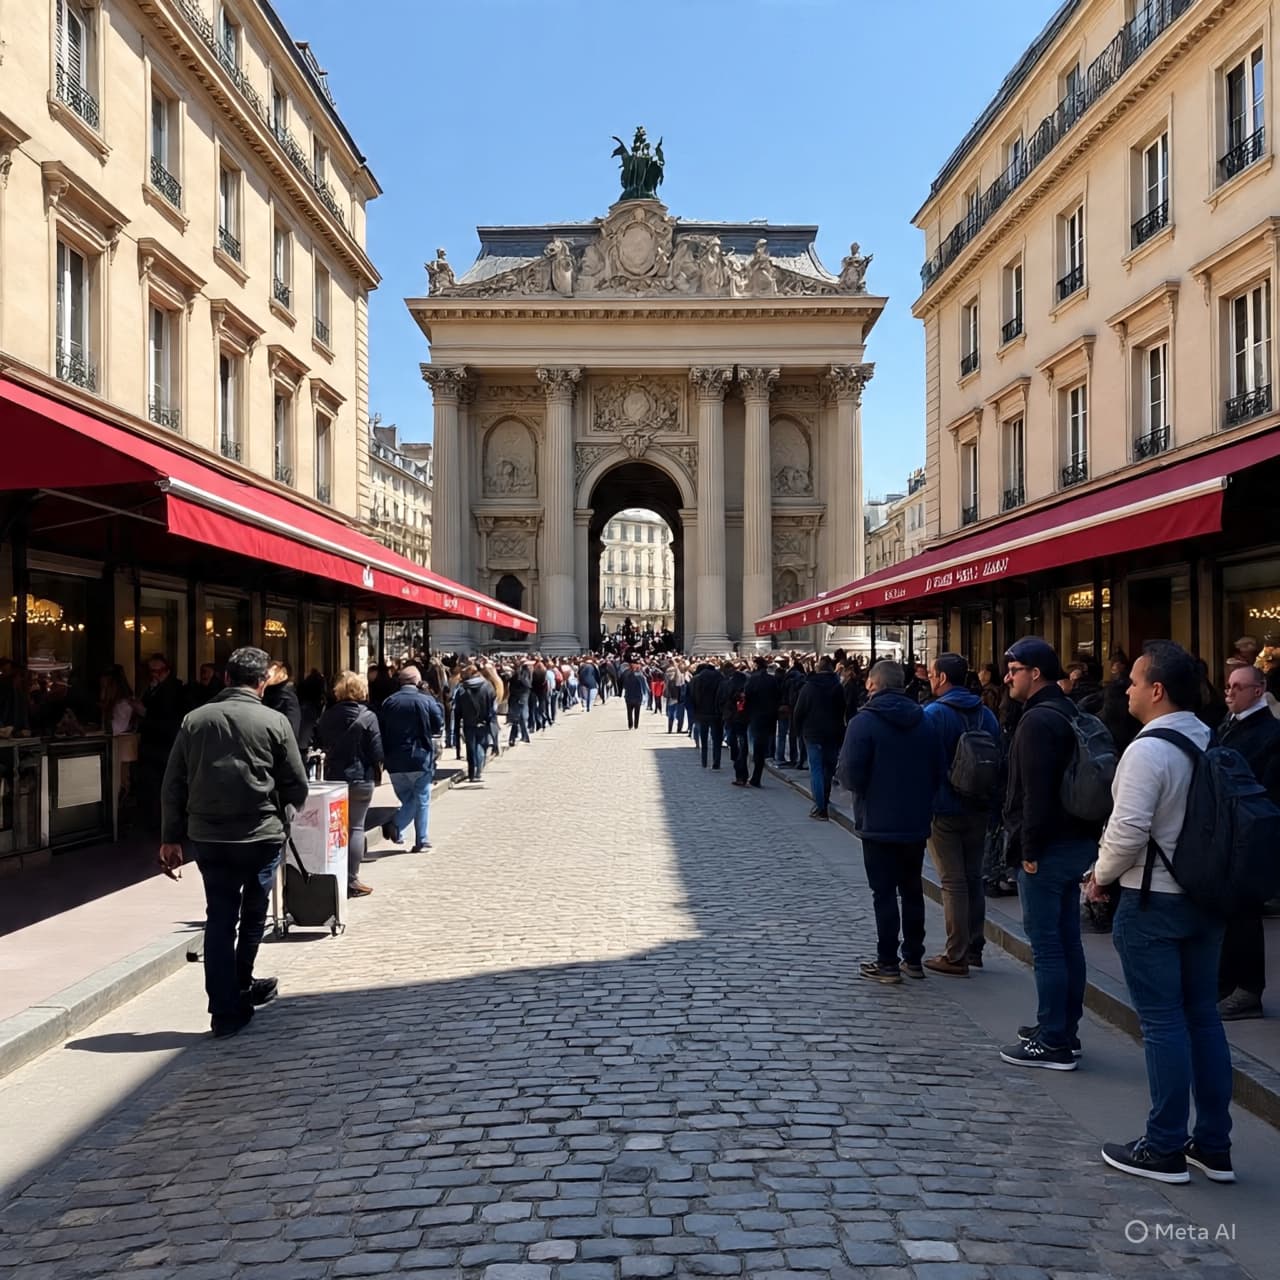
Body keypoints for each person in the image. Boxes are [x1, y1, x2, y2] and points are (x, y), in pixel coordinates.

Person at [1090, 640, 1235, 1184]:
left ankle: (1164, 1145)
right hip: (1205, 898)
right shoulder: (1205, 736)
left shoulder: (1148, 750)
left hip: (1155, 902)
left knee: (1163, 1024)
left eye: (1131, 681)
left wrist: (1099, 878)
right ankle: (1213, 1143)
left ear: (1156, 690)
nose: (1124, 689)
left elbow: (1127, 831)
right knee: (1203, 1017)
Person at [159, 646, 308, 1039]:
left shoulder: (195, 720)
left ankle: (224, 1006)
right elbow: (297, 781)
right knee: (255, 911)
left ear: (226, 678)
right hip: (259, 833)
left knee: (220, 916)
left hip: (208, 835)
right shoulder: (274, 721)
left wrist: (170, 837)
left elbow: (173, 782)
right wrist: (288, 809)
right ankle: (240, 984)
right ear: (262, 683)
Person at [999, 636, 1104, 1070]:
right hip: (1075, 841)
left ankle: (1053, 1040)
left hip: (1048, 847)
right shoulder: (1066, 712)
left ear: (1035, 673)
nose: (1007, 677)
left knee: (1048, 948)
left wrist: (1028, 849)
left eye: (1014, 669)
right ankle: (1064, 1029)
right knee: (1066, 943)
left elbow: (1035, 793)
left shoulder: (1037, 721)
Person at [836, 660, 945, 984]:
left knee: (883, 893)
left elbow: (850, 775)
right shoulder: (925, 721)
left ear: (873, 684)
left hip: (877, 821)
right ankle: (913, 959)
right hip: (914, 820)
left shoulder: (863, 723)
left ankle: (887, 963)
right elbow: (939, 769)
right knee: (912, 890)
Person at [923, 653, 1001, 976]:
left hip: (944, 806)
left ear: (942, 678)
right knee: (973, 878)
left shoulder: (934, 714)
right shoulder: (987, 715)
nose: (928, 678)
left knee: (952, 881)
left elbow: (925, 762)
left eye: (931, 674)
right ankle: (974, 948)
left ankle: (955, 955)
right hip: (979, 805)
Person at [1215, 663, 1280, 1021]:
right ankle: (1225, 983)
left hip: (1250, 833)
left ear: (1259, 690)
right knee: (1226, 910)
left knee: (1244, 913)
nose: (1230, 692)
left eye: (1238, 687)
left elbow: (1269, 792)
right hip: (1226, 832)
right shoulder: (1228, 725)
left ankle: (1247, 989)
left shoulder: (1270, 732)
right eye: (1227, 686)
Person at [317, 671, 383, 897]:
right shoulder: (368, 716)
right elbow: (377, 751)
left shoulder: (328, 715)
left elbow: (320, 740)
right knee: (355, 827)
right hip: (361, 776)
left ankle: (335, 873)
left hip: (335, 776)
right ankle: (352, 879)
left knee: (336, 829)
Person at [378, 664, 445, 852]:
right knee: (421, 799)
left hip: (395, 759)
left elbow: (381, 728)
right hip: (419, 756)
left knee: (407, 798)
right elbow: (438, 723)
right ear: (418, 681)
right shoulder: (425, 700)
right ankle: (416, 837)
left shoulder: (389, 702)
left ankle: (398, 832)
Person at [137, 653, 187, 829]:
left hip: (162, 744)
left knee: (163, 785)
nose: (154, 675)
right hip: (157, 744)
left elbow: (166, 718)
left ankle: (164, 823)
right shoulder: (155, 688)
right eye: (151, 671)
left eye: (157, 671)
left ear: (166, 670)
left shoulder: (171, 690)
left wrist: (145, 713)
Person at [792, 656, 845, 820]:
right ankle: (825, 799)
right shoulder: (838, 686)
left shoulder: (809, 687)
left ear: (817, 669)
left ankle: (820, 807)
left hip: (813, 734)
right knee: (828, 768)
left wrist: (798, 730)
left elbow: (799, 711)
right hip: (833, 733)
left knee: (816, 769)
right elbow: (843, 709)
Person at [454, 664, 496, 781]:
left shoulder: (462, 689)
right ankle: (479, 770)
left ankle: (472, 773)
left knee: (470, 748)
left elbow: (457, 708)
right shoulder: (488, 686)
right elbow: (493, 705)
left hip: (468, 722)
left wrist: (458, 723)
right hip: (484, 722)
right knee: (481, 745)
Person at [743, 656, 781, 788]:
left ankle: (755, 776)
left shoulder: (753, 680)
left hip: (756, 716)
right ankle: (757, 774)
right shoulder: (772, 680)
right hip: (770, 717)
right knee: (763, 746)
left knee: (756, 746)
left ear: (756, 666)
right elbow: (778, 697)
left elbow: (746, 697)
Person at [687, 659, 724, 768]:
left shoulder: (695, 680)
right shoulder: (720, 678)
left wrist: (693, 711)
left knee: (703, 738)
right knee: (717, 739)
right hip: (716, 713)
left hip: (700, 712)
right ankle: (716, 762)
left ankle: (704, 761)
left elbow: (690, 697)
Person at [720, 662, 750, 784]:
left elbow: (720, 701)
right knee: (743, 745)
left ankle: (739, 774)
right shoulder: (746, 688)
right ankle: (743, 773)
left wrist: (724, 713)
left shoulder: (726, 685)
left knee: (734, 745)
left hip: (731, 719)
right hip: (743, 719)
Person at [264, 660, 303, 748]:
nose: (266, 677)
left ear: (283, 675)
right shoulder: (267, 693)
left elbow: (291, 731)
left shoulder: (287, 696)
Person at [621, 659, 647, 729]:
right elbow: (644, 686)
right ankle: (636, 725)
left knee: (629, 712)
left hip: (629, 696)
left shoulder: (626, 675)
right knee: (637, 712)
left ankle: (630, 725)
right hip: (638, 696)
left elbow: (624, 685)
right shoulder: (641, 676)